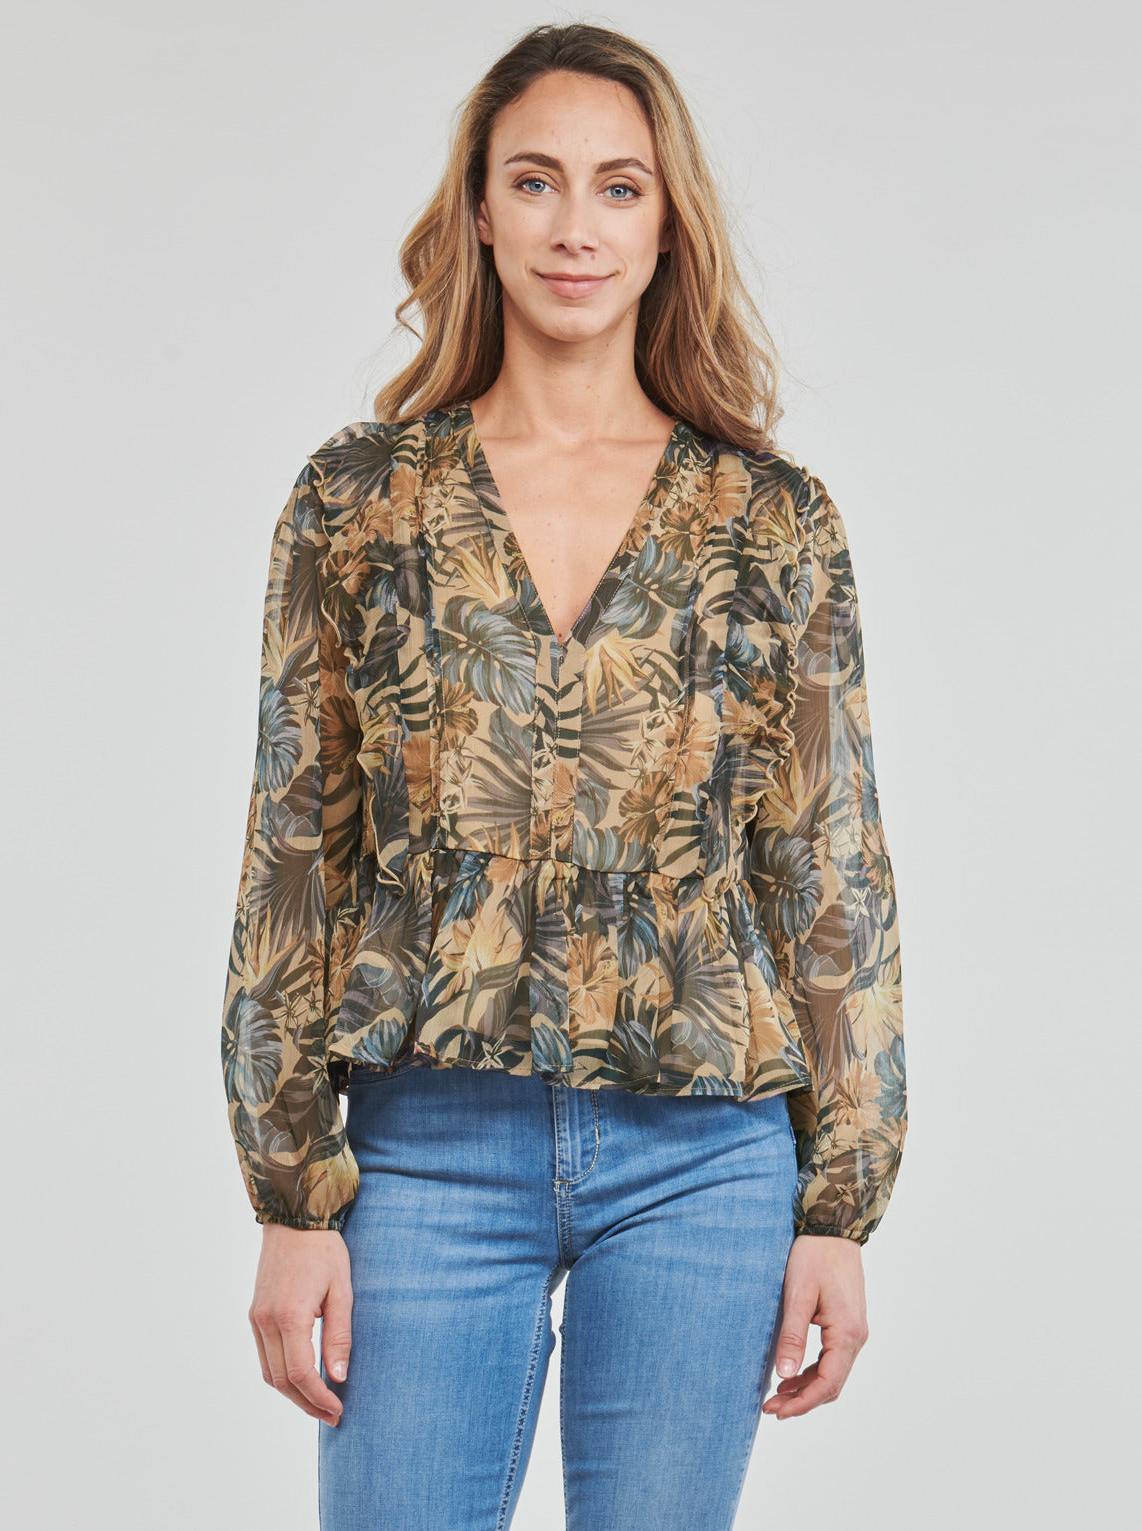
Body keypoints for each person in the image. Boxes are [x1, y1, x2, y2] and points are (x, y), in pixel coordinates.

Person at [220, 21, 906, 1531]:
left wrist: (840, 1206)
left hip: (705, 1158)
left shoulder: (768, 517)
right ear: (479, 210)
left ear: (667, 225)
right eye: (535, 181)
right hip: (426, 1149)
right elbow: (297, 851)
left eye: (618, 186)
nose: (575, 227)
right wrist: (290, 1191)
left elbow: (827, 860)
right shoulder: (362, 500)